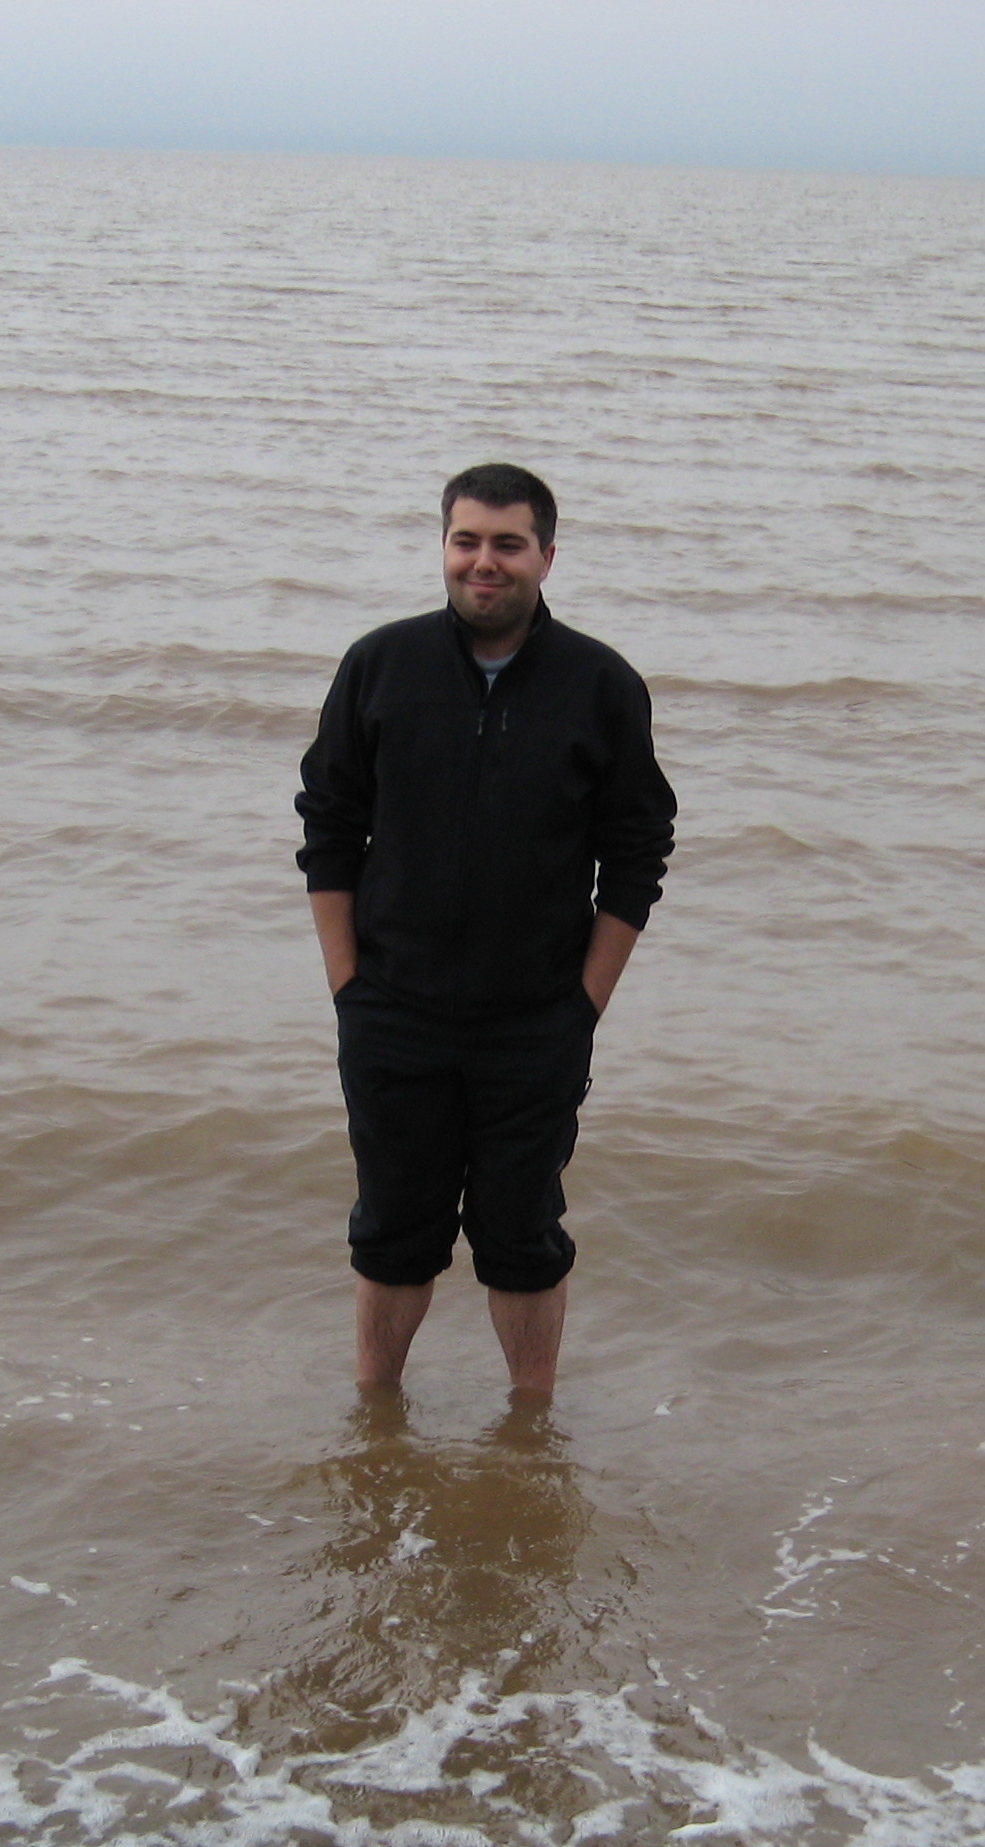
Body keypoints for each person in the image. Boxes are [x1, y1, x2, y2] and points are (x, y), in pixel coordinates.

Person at [295, 463, 677, 1395]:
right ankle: (376, 1418)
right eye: (466, 541)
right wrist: (350, 990)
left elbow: (637, 853)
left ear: (547, 555)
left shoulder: (600, 684)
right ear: (443, 548)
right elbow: (328, 830)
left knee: (524, 1238)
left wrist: (581, 1007)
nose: (485, 562)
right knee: (392, 1233)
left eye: (508, 544)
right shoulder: (380, 666)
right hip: (393, 1011)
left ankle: (531, 1426)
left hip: (535, 1021)